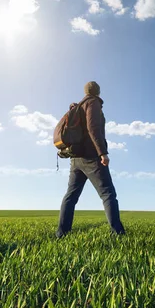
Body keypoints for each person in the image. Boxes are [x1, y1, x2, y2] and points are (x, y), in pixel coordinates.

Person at [56, 81, 125, 237]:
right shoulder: (92, 103)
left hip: (76, 159)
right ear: (98, 92)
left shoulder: (78, 106)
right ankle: (118, 234)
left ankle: (61, 233)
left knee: (71, 196)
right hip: (91, 157)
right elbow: (93, 128)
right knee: (108, 194)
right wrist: (102, 153)